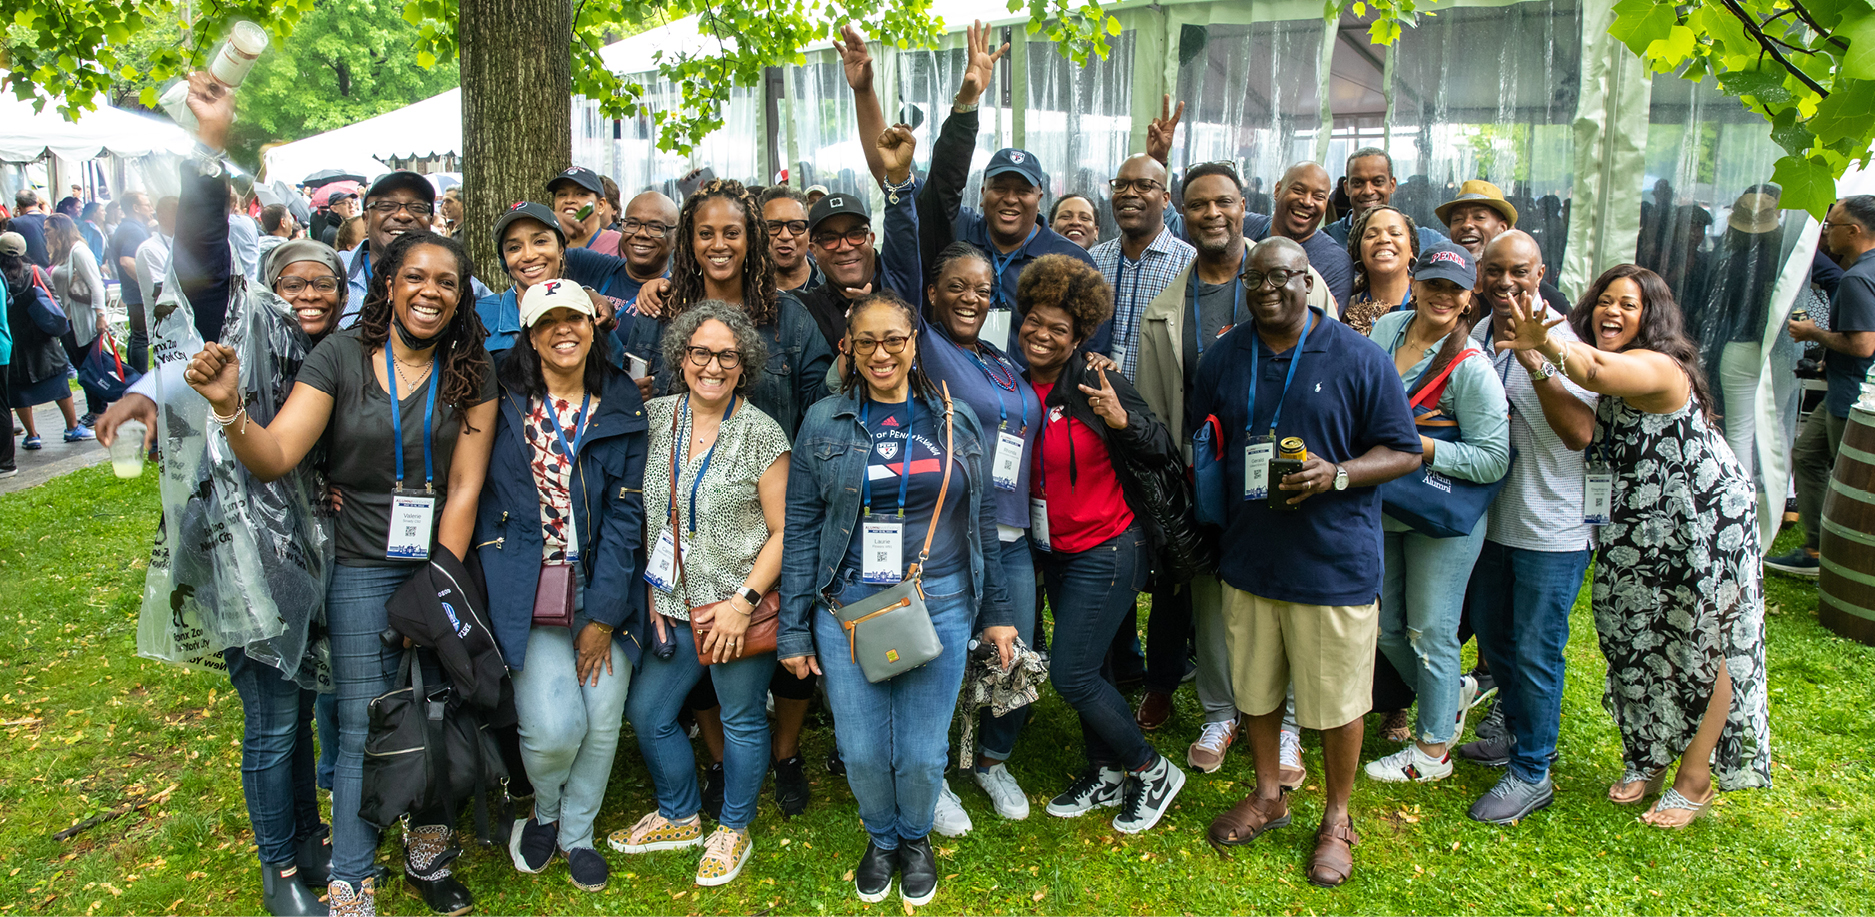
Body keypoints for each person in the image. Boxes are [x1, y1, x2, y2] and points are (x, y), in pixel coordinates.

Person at [184, 230, 498, 916]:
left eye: (446, 281)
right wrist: (230, 407)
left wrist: (437, 581)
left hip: (442, 559)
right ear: (388, 283)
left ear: (459, 296)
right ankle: (352, 878)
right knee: (361, 719)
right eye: (416, 276)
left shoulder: (473, 366)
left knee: (440, 705)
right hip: (358, 562)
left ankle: (429, 846)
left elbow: (467, 487)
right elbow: (274, 455)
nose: (430, 291)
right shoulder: (341, 354)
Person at [1498, 263, 1772, 828]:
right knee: (1636, 633)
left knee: (1707, 639)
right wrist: (1538, 363)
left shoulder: (1659, 365)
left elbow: (1595, 371)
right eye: (1604, 300)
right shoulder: (1601, 360)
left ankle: (1695, 780)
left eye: (1628, 304)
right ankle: (1648, 755)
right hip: (1635, 517)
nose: (1611, 312)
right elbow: (1585, 430)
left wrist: (1542, 340)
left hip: (1701, 516)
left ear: (1653, 316)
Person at [1190, 237, 1421, 887]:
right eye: (1255, 278)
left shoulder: (1354, 356)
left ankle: (1337, 816)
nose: (1267, 289)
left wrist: (1338, 473)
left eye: (1282, 278)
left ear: (1309, 281)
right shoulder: (1224, 356)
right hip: (1249, 557)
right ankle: (1268, 793)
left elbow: (1402, 450)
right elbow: (1205, 434)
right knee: (1257, 687)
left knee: (1341, 701)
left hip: (1332, 562)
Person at [778, 291, 1016, 907]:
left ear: (914, 345)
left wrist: (996, 616)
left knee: (920, 750)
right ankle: (881, 838)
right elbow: (802, 527)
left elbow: (982, 515)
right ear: (848, 350)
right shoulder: (823, 421)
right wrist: (794, 633)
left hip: (939, 598)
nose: (881, 353)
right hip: (848, 606)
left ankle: (914, 838)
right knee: (859, 749)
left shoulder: (954, 418)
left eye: (894, 341)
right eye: (867, 342)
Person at [1131, 160, 1331, 770]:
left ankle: (1291, 721)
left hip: (1290, 471)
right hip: (1208, 476)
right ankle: (1220, 714)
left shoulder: (1301, 279)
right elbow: (1157, 400)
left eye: (1224, 201)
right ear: (1179, 214)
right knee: (1211, 596)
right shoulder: (1166, 305)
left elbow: (1331, 370)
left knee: (1290, 595)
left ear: (1246, 205)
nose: (1212, 214)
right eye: (1197, 205)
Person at [609, 302, 789, 887]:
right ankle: (680, 813)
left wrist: (744, 604)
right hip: (673, 608)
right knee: (649, 714)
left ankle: (733, 826)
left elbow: (784, 531)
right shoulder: (655, 417)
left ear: (744, 365)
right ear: (681, 357)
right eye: (701, 352)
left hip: (734, 608)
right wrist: (656, 599)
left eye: (727, 356)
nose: (712, 366)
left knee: (739, 720)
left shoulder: (762, 434)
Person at [478, 280, 646, 894]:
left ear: (592, 323)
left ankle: (577, 833)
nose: (563, 331)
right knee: (554, 729)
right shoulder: (500, 400)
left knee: (601, 721)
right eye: (547, 322)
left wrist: (603, 615)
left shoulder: (621, 399)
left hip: (603, 582)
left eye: (573, 318)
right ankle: (543, 810)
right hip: (527, 584)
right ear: (528, 334)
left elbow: (630, 514)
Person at [1013, 254, 1188, 832]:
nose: (1042, 335)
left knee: (1073, 673)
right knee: (1099, 665)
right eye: (1034, 321)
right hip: (1054, 550)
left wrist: (1120, 419)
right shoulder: (1010, 381)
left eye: (1058, 329)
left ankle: (1151, 768)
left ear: (1080, 334)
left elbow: (1160, 446)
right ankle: (1104, 770)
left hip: (1109, 547)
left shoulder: (1097, 380)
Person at [1456, 230, 1599, 824]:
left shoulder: (1565, 340)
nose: (1506, 282)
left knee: (1538, 650)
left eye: (1519, 271)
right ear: (1480, 276)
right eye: (1494, 271)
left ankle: (1533, 771)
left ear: (1540, 273)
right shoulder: (1483, 333)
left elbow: (1579, 435)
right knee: (1498, 641)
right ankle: (1516, 734)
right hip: (1496, 521)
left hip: (1554, 528)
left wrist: (1534, 357)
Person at [1361, 242, 1510, 785]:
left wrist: (1416, 447)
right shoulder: (1384, 332)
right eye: (1433, 284)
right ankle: (1449, 696)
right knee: (1388, 629)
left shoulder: (1471, 368)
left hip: (1442, 516)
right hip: (1389, 505)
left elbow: (1493, 458)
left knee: (1430, 630)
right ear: (1415, 284)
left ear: (1469, 297)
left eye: (1455, 289)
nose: (1442, 296)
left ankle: (1430, 753)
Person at [917, 21, 1101, 358]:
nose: (1010, 198)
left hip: (1033, 400)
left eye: (1023, 190)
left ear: (1040, 197)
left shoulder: (1071, 261)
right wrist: (966, 104)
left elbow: (1090, 346)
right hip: (957, 387)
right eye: (1000, 187)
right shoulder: (958, 236)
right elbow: (942, 187)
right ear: (983, 192)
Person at [625, 179, 833, 438]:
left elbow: (821, 410)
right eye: (706, 233)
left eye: (732, 233)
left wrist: (850, 357)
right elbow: (627, 406)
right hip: (671, 474)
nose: (719, 244)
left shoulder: (790, 318)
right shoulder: (658, 311)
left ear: (751, 240)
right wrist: (627, 395)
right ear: (690, 241)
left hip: (766, 475)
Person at [1770, 195, 1875, 576]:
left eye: (1831, 226)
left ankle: (1845, 560)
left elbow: (1863, 344)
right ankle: (1816, 549)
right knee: (1809, 456)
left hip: (1852, 397)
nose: (1826, 233)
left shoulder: (1857, 277)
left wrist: (1813, 332)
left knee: (1853, 479)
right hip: (1847, 389)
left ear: (1854, 231)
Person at [1089, 154, 1195, 380]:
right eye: (1121, 185)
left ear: (1165, 199)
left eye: (1144, 185)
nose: (1129, 193)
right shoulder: (1093, 260)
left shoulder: (1189, 264)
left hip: (1156, 406)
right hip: (1095, 400)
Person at [2, 233, 89, 448]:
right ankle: (72, 427)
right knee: (58, 381)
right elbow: (54, 299)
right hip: (42, 337)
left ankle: (32, 435)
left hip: (14, 340)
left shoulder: (1, 278)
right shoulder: (35, 271)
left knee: (19, 388)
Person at [1438, 180, 1571, 315]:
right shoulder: (1442, 288)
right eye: (1457, 219)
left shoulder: (1541, 296)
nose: (1466, 225)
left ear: (1502, 229)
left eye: (1479, 217)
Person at [1244, 163, 1354, 309]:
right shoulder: (1243, 227)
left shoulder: (1335, 262)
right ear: (1277, 190)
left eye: (1318, 197)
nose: (1307, 202)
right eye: (1298, 190)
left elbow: (1321, 325)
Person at [339, 171, 439, 325]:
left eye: (417, 207)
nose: (403, 215)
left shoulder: (454, 277)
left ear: (430, 222)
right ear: (366, 220)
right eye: (386, 206)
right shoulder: (335, 271)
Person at [46, 213, 109, 426]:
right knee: (81, 366)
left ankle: (99, 410)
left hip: (82, 320)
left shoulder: (79, 251)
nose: (45, 234)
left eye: (48, 230)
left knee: (89, 366)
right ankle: (95, 409)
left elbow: (96, 285)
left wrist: (101, 316)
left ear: (60, 229)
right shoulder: (60, 253)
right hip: (67, 320)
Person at [1324, 149, 1448, 253]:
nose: (1368, 191)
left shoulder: (1427, 241)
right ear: (1347, 188)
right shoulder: (1328, 239)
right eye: (1358, 183)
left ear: (1392, 185)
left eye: (1378, 182)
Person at [1340, 204, 1422, 335]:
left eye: (1395, 233)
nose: (1383, 239)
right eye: (1371, 235)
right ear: (1359, 251)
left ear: (1411, 249)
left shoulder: (1428, 303)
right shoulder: (1344, 309)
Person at [106, 190, 155, 370]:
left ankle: (136, 378)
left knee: (137, 336)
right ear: (135, 207)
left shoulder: (130, 227)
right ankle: (141, 379)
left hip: (133, 292)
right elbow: (127, 262)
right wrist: (148, 286)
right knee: (142, 337)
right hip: (138, 293)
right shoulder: (132, 229)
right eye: (147, 205)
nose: (151, 208)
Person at [760, 186, 821, 293]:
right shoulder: (742, 292)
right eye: (773, 226)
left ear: (809, 233)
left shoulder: (834, 284)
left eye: (796, 227)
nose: (785, 236)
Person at [548, 167, 621, 254]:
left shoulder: (619, 245)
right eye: (562, 194)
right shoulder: (547, 244)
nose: (569, 200)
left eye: (581, 194)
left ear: (601, 205)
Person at [134, 196, 179, 316]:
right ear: (163, 218)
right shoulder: (149, 249)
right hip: (164, 327)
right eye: (178, 216)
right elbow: (163, 295)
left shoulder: (182, 245)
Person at [10, 189, 51, 267]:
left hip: (28, 271)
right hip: (51, 269)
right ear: (37, 202)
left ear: (18, 205)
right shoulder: (50, 219)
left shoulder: (14, 223)